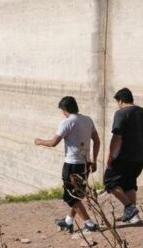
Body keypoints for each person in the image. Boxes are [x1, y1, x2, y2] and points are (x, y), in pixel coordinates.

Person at [34, 96, 100, 233]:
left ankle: (89, 224)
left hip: (72, 164)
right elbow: (97, 141)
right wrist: (93, 160)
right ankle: (68, 222)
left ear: (65, 109)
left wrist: (39, 141)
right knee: (77, 194)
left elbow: (53, 143)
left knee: (70, 196)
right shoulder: (87, 120)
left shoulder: (67, 122)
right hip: (85, 163)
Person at [104, 88, 143, 224]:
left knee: (110, 182)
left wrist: (110, 155)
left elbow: (117, 137)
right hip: (140, 156)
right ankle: (133, 217)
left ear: (120, 100)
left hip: (123, 155)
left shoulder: (121, 113)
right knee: (129, 183)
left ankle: (129, 207)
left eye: (117, 102)